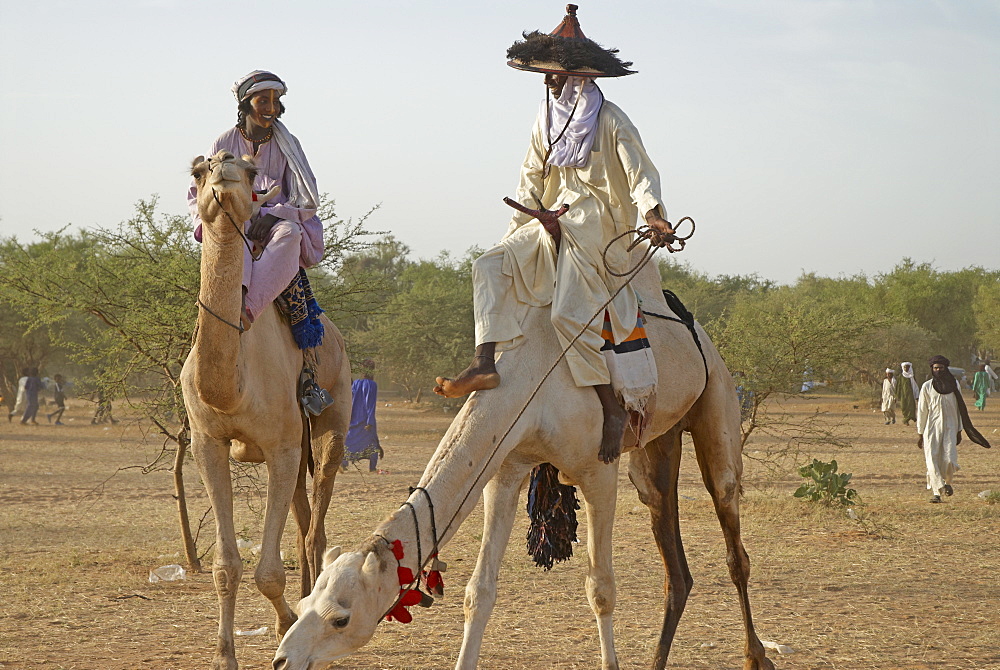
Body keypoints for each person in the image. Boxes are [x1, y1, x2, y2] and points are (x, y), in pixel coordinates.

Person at [433, 5, 677, 464]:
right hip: (549, 220)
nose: (548, 82)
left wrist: (654, 214)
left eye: (556, 75)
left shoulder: (611, 119)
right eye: (545, 75)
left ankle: (610, 408)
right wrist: (520, 228)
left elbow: (640, 170)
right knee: (488, 264)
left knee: (568, 314)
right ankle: (484, 363)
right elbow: (530, 178)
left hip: (597, 226)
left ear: (579, 77)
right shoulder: (544, 121)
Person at [188, 70, 324, 330]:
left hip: (279, 220)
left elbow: (305, 197)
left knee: (291, 234)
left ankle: (249, 308)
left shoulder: (289, 144)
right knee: (236, 232)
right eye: (263, 101)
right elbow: (199, 187)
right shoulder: (224, 142)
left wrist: (276, 215)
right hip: (238, 216)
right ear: (245, 104)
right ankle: (232, 301)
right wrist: (205, 224)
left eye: (275, 101)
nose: (271, 108)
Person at [916, 355, 991, 503]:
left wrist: (959, 430)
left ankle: (947, 483)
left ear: (945, 369)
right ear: (932, 369)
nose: (938, 370)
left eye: (941, 368)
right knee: (932, 459)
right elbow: (922, 411)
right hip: (931, 427)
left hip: (951, 426)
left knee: (949, 459)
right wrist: (920, 433)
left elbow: (959, 408)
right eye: (935, 368)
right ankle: (937, 492)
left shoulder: (954, 385)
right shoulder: (927, 386)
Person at [342, 359, 382, 472]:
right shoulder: (372, 385)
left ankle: (343, 463)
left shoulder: (356, 383)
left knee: (349, 441)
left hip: (354, 418)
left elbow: (351, 398)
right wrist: (370, 421)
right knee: (372, 443)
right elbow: (370, 404)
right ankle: (372, 468)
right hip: (365, 420)